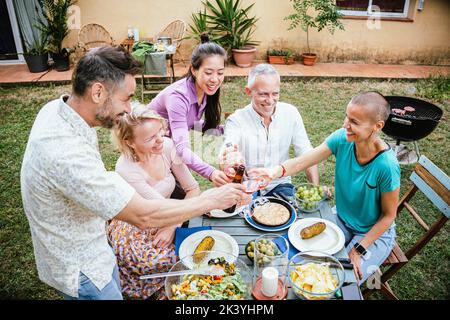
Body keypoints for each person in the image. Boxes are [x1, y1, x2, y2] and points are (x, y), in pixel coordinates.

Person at [20, 46, 249, 300]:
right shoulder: (66, 153)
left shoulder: (59, 110)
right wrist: (212, 199)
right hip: (84, 269)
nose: (130, 109)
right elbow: (143, 215)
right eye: (126, 98)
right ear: (98, 92)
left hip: (95, 244)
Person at [249, 91, 400, 284]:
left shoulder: (386, 166)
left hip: (373, 233)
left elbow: (389, 216)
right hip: (342, 218)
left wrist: (359, 250)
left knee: (344, 280)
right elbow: (303, 161)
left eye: (354, 121)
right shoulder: (342, 138)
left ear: (377, 126)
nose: (346, 125)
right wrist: (273, 172)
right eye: (347, 117)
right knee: (298, 251)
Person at [107, 103, 201, 299]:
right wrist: (176, 219)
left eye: (161, 131)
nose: (160, 140)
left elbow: (193, 188)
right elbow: (155, 211)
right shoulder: (125, 169)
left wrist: (172, 226)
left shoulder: (167, 146)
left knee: (192, 251)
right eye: (150, 138)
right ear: (130, 142)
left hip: (169, 214)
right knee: (162, 260)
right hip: (136, 222)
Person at [220, 63, 319, 198]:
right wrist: (230, 157)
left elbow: (307, 155)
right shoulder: (236, 120)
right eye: (263, 94)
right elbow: (229, 147)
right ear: (248, 91)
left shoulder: (291, 113)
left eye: (275, 94)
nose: (270, 101)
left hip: (280, 184)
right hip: (247, 187)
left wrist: (315, 190)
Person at [148, 34, 230, 187]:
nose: (215, 79)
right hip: (148, 151)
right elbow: (181, 149)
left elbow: (194, 123)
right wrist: (211, 172)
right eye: (208, 72)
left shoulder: (204, 92)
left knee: (189, 190)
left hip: (167, 150)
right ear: (194, 70)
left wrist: (230, 128)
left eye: (220, 73)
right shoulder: (178, 97)